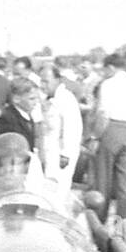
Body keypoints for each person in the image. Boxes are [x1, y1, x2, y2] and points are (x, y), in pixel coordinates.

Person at [94, 52, 126, 219]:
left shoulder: (107, 84)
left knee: (104, 181)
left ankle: (101, 220)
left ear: (110, 67)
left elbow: (103, 115)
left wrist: (95, 137)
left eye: (105, 70)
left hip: (112, 129)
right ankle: (122, 223)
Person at [39, 63, 81, 195]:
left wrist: (66, 153)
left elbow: (73, 129)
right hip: (47, 150)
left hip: (60, 153)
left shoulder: (66, 99)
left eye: (46, 81)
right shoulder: (46, 99)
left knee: (57, 190)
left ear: (57, 80)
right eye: (41, 81)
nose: (43, 85)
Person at [0, 77, 39, 155]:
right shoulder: (8, 118)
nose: (36, 102)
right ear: (16, 99)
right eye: (32, 99)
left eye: (37, 98)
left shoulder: (27, 116)